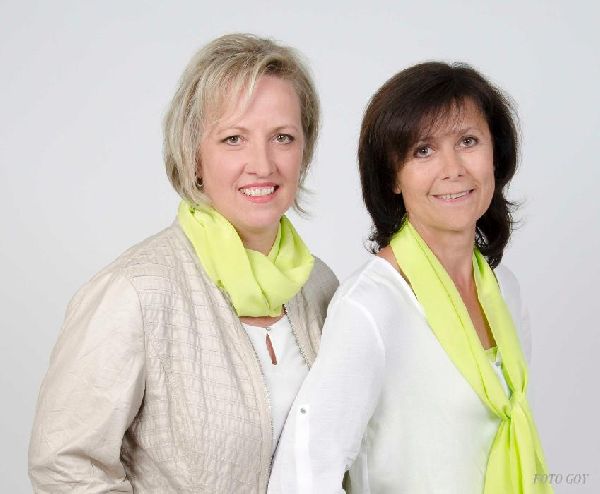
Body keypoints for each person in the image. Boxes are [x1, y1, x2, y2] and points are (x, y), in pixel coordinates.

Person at [28, 33, 338, 493]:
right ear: (194, 156)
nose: (262, 163)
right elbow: (64, 466)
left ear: (304, 152)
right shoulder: (135, 291)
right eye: (233, 139)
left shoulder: (319, 285)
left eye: (282, 137)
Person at [268, 62, 552, 493]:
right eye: (423, 150)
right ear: (392, 177)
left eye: (468, 141)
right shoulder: (373, 305)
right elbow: (304, 471)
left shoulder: (505, 291)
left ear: (496, 154)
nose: (453, 168)